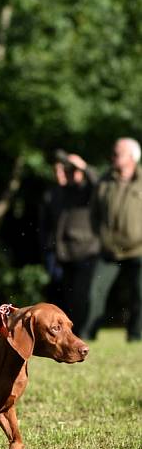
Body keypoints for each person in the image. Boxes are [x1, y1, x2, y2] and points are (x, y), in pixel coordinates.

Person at [80, 138, 142, 342]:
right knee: (94, 292)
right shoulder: (105, 181)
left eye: (118, 154)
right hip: (109, 250)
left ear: (132, 157)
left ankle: (136, 336)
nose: (113, 157)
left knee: (140, 294)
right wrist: (102, 236)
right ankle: (88, 335)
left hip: (138, 250)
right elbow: (94, 213)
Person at [38, 151, 100, 334]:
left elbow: (99, 184)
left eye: (73, 171)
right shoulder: (59, 193)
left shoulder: (87, 192)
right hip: (63, 253)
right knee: (66, 296)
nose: (69, 173)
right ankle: (68, 331)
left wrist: (83, 166)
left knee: (82, 295)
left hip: (85, 251)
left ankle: (84, 331)